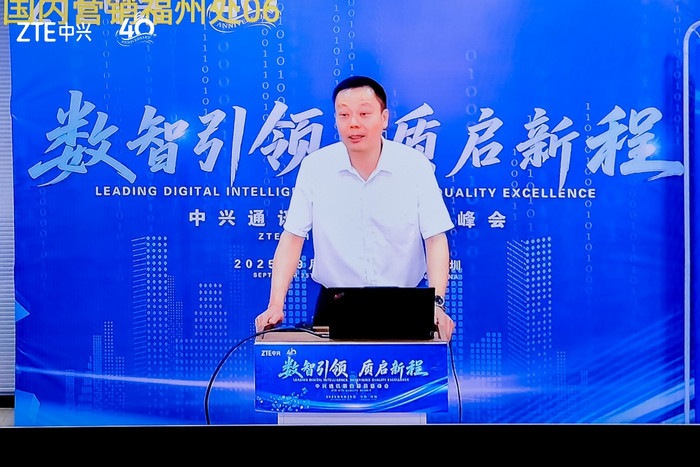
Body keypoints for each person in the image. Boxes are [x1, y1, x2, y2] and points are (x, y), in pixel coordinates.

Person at [254, 76, 456, 341]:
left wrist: (437, 303)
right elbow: (293, 238)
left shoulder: (414, 166)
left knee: (403, 368)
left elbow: (435, 238)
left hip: (404, 304)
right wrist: (275, 304)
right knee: (334, 369)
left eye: (364, 113)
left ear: (384, 118)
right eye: (344, 114)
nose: (353, 123)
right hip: (336, 304)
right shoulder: (316, 167)